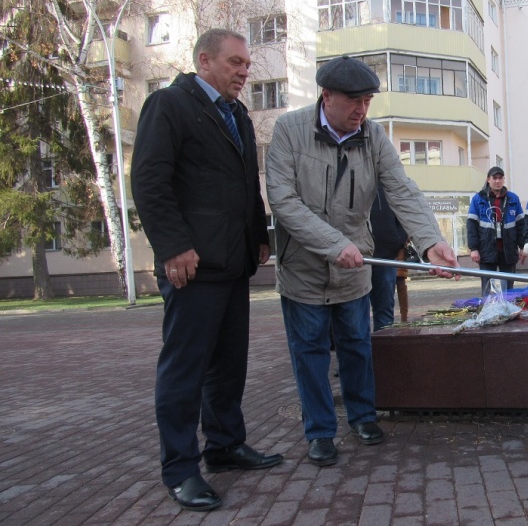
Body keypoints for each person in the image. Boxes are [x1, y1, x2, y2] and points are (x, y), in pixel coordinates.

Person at [266, 55, 458, 468]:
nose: (362, 110)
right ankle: (319, 432)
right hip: (304, 268)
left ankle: (363, 417)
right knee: (311, 352)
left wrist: (430, 242)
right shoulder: (289, 130)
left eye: (367, 101)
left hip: (357, 265)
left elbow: (402, 190)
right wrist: (333, 244)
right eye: (354, 101)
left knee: (357, 345)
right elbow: (282, 201)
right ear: (327, 95)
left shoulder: (372, 136)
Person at [131, 28, 282, 512]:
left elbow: (244, 183)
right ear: (205, 61)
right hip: (191, 267)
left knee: (228, 365)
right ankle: (180, 469)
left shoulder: (236, 114)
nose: (244, 72)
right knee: (185, 370)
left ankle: (224, 445)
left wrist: (259, 235)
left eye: (247, 64)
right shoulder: (170, 105)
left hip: (232, 262)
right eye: (236, 62)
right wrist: (173, 247)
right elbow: (149, 182)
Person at [467, 166, 525, 296]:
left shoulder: (513, 199)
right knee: (487, 288)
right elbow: (471, 226)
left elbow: (521, 225)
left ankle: (509, 311)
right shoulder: (478, 199)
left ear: (504, 180)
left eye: (500, 178)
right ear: (488, 179)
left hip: (508, 250)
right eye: (494, 178)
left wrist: (523, 247)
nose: (497, 181)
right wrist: (473, 248)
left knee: (508, 288)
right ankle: (488, 311)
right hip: (486, 250)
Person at [369, 183, 409, 331]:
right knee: (355, 313)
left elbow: (405, 212)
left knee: (384, 310)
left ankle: (384, 350)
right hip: (355, 257)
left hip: (385, 256)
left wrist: (398, 239)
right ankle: (362, 353)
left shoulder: (388, 182)